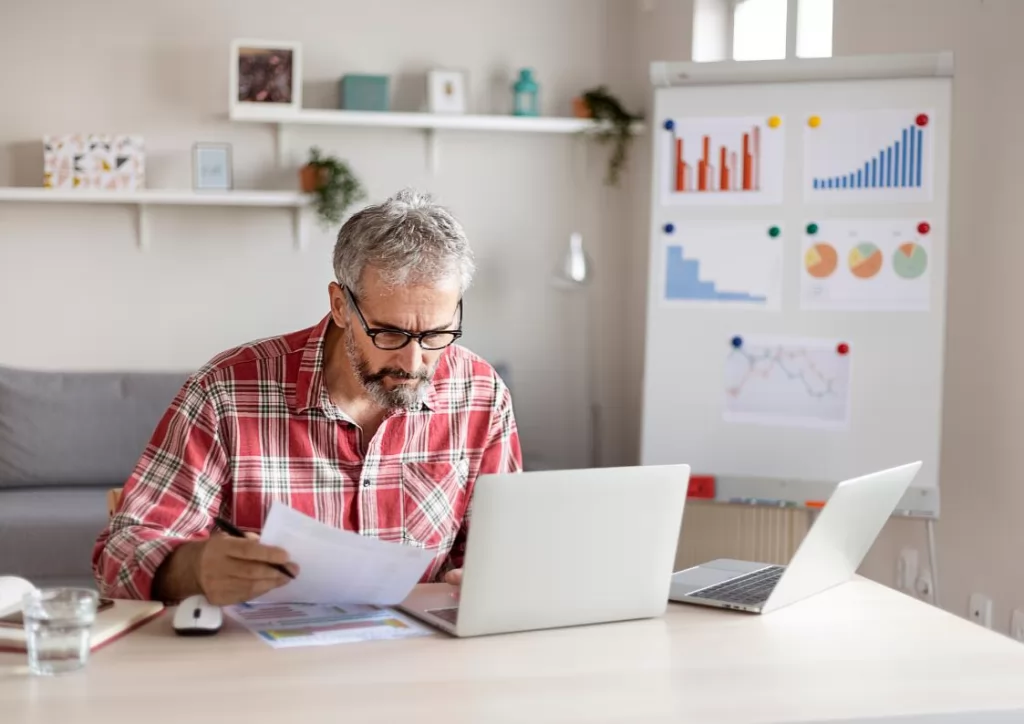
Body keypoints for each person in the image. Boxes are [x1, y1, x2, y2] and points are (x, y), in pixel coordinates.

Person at [92, 189, 522, 605]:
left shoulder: (479, 393)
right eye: (388, 333)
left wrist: (492, 576)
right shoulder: (225, 392)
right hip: (265, 662)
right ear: (340, 305)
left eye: (435, 334)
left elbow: (502, 548)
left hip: (425, 658)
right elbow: (121, 553)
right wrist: (193, 568)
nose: (414, 361)